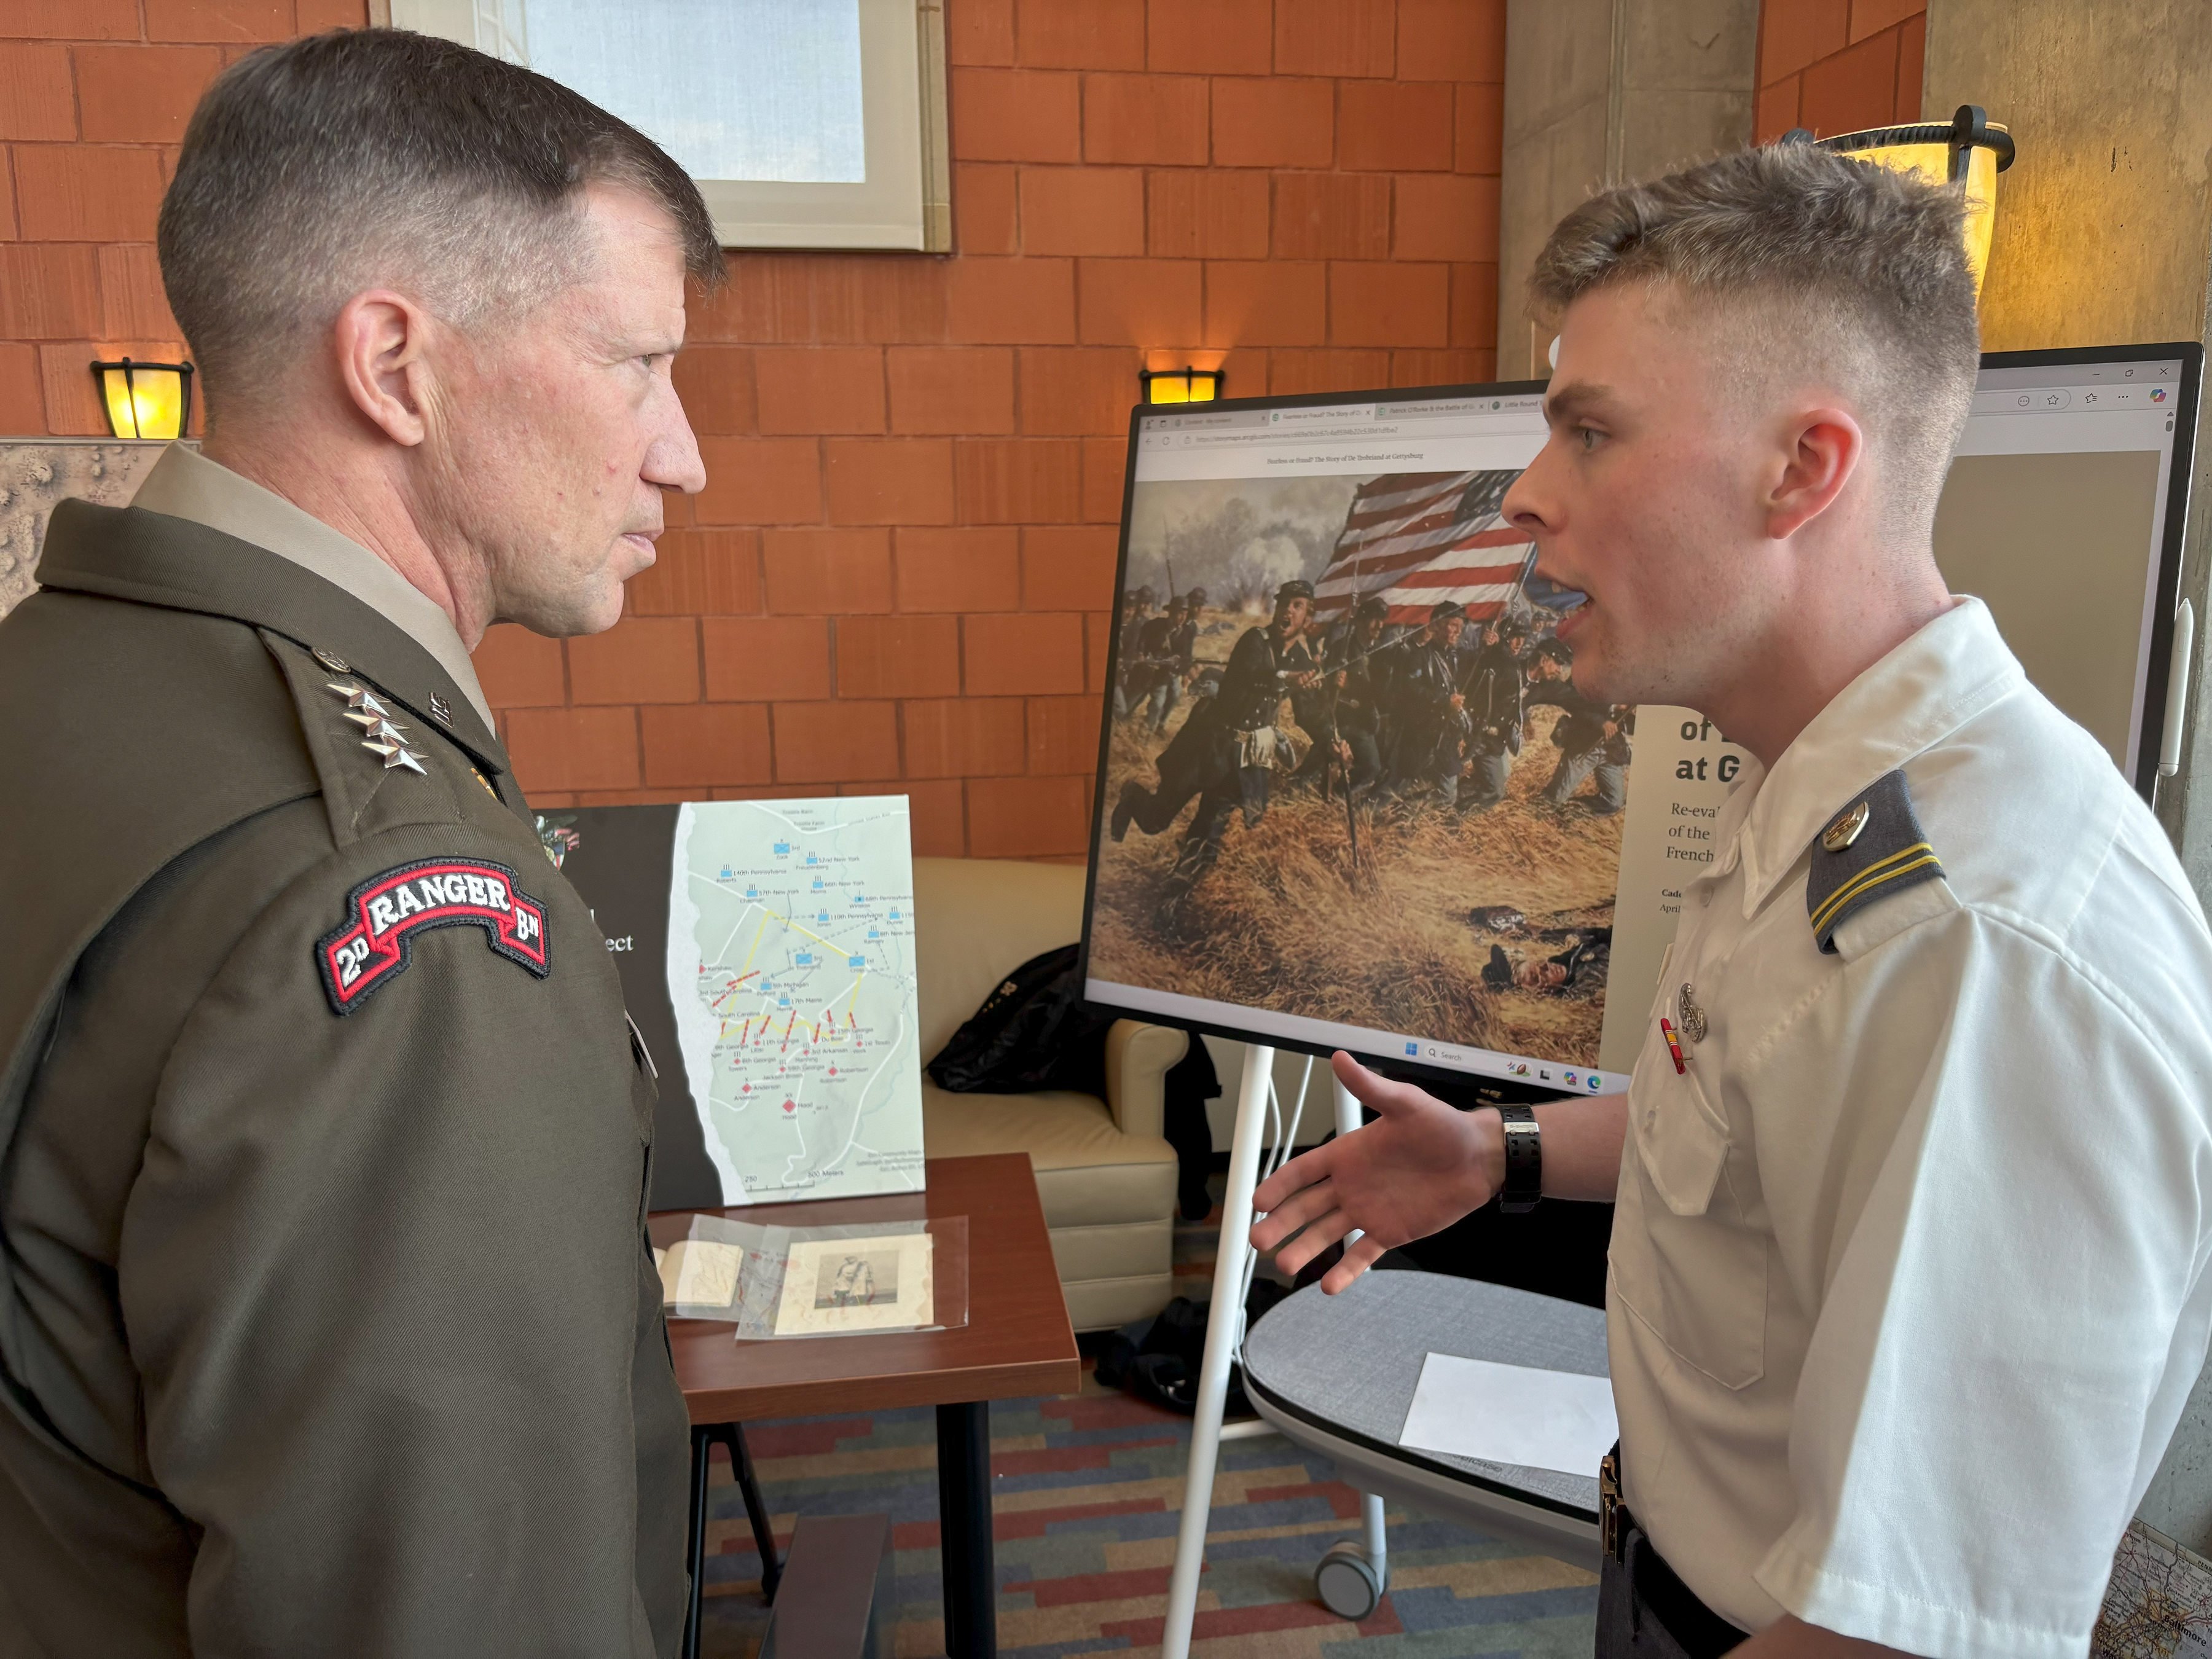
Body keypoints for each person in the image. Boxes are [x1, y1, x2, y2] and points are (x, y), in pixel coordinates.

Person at [1249, 140, 2212, 1659]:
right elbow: (1754, 1099)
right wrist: (1500, 1152)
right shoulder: (1822, 778)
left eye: (1589, 432)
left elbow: (1911, 1631)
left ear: (1803, 470)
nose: (1521, 495)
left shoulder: (1983, 942)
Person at [0, 31, 719, 1656]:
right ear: (395, 365)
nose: (680, 449)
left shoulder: (45, 680)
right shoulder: (398, 911)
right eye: (635, 363)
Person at [1111, 581, 1320, 925]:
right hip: (1209, 746)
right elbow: (1248, 675)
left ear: (1307, 617)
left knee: (1208, 836)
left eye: (1298, 606)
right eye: (1285, 603)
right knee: (1155, 820)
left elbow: (1308, 709)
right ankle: (1134, 797)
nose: (1289, 610)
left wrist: (1321, 690)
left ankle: (1169, 910)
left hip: (1243, 759)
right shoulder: (1255, 640)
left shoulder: (1302, 658)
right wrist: (1287, 677)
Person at [1378, 600, 1472, 812]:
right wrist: (1443, 700)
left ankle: (1402, 813)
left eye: (1461, 627)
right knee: (1397, 784)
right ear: (1437, 625)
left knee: (1448, 795)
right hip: (1420, 735)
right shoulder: (1419, 656)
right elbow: (1410, 689)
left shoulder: (1455, 658)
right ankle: (1365, 814)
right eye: (1453, 625)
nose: (1458, 631)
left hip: (1445, 736)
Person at [1526, 646, 1632, 815]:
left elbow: (1630, 725)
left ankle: (1571, 814)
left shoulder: (1627, 682)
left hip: (1611, 749)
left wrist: (1631, 712)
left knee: (1614, 802)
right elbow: (1576, 705)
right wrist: (1604, 719)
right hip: (1584, 745)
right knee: (1554, 798)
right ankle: (1530, 820)